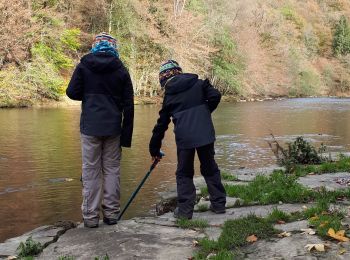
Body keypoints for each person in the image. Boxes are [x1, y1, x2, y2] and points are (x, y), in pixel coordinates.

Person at [66, 33, 134, 228]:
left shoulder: (84, 66)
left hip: (90, 128)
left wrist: (88, 95)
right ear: (114, 47)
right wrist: (126, 136)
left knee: (91, 171)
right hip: (113, 128)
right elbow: (129, 105)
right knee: (112, 170)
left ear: (94, 46)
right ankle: (112, 214)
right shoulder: (121, 69)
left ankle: (90, 217)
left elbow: (71, 92)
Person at [149, 60, 226, 219]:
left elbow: (161, 125)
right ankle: (218, 205)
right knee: (210, 168)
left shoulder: (169, 96)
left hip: (185, 138)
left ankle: (184, 211)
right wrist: (204, 112)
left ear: (164, 80)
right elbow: (215, 95)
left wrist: (154, 149)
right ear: (179, 72)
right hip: (205, 133)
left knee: (184, 173)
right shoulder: (198, 83)